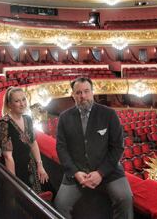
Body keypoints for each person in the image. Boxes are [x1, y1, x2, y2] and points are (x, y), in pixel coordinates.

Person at [54, 77, 134, 219]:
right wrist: (75, 172)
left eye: (86, 91)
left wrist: (101, 172)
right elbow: (61, 148)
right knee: (60, 204)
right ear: (73, 95)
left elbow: (117, 147)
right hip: (77, 172)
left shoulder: (109, 114)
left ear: (92, 92)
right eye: (78, 92)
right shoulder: (64, 117)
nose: (83, 96)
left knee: (125, 198)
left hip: (108, 170)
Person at [0, 86, 49, 192]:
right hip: (14, 167)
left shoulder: (27, 119)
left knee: (48, 188)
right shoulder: (4, 123)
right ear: (9, 104)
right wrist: (14, 182)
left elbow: (33, 142)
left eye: (24, 99)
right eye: (17, 101)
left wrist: (40, 165)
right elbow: (8, 157)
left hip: (30, 163)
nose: (22, 104)